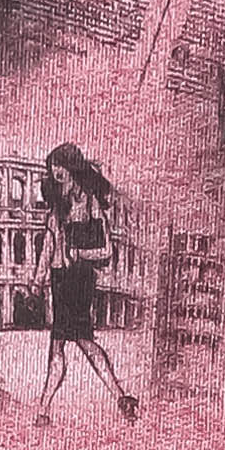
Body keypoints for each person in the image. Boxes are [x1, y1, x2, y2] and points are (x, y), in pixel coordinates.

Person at [30, 142, 139, 425]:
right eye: (54, 175)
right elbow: (49, 246)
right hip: (59, 280)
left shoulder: (91, 206)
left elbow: (106, 251)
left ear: (73, 171)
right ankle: (119, 398)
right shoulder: (57, 209)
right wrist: (38, 279)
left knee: (76, 343)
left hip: (79, 280)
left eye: (61, 174)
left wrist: (79, 254)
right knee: (70, 344)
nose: (58, 180)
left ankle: (45, 410)